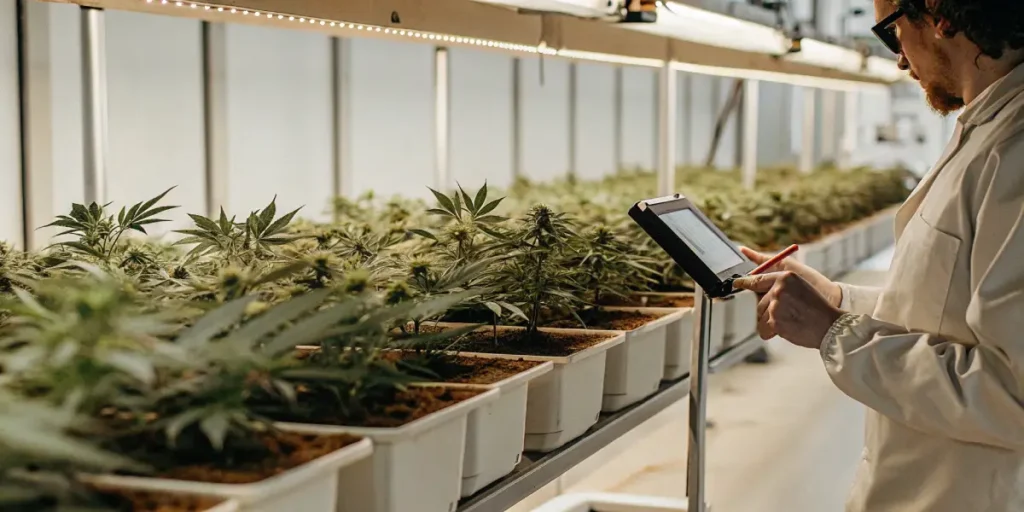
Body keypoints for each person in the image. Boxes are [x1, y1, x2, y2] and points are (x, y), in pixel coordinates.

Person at [732, 1, 1024, 511]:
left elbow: (1012, 395)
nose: (899, 59)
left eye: (892, 31)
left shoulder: (1014, 152)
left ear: (938, 15)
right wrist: (838, 299)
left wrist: (836, 331)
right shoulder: (987, 129)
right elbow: (946, 309)